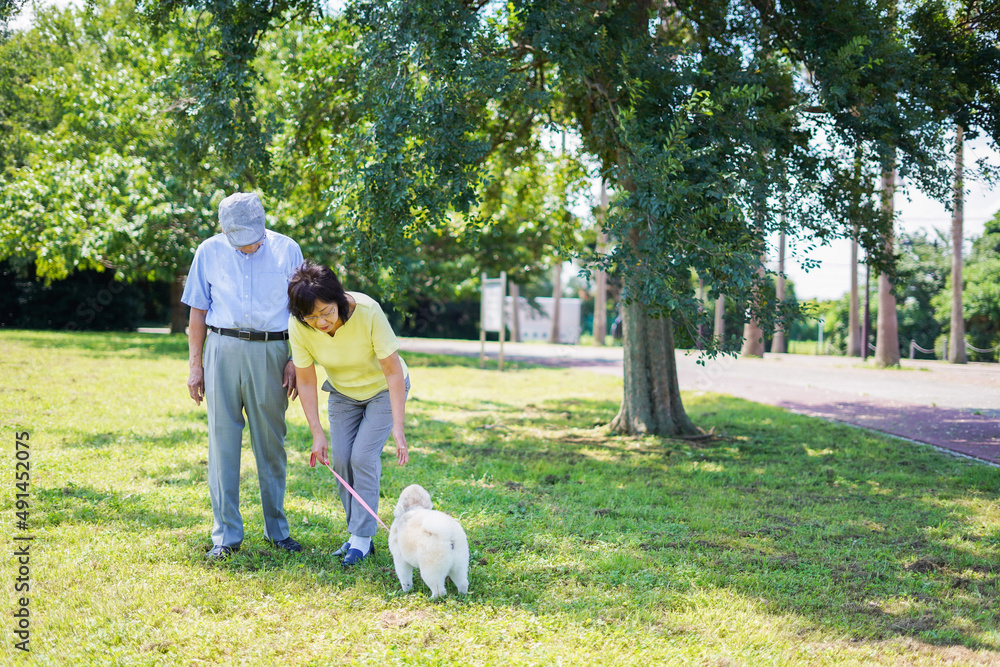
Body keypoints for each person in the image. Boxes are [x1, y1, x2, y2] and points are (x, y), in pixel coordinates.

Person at [182, 192, 305, 560]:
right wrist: (195, 365)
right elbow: (198, 313)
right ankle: (226, 536)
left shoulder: (288, 250)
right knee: (222, 446)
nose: (248, 245)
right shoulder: (208, 251)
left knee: (271, 444)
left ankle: (277, 531)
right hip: (222, 349)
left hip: (273, 351)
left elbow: (300, 311)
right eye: (240, 238)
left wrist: (296, 358)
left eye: (253, 236)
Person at [287, 261, 410, 567]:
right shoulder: (300, 325)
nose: (321, 322)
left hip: (383, 390)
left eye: (327, 312)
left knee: (362, 458)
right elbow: (305, 379)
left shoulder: (367, 312)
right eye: (312, 317)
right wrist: (317, 431)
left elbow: (393, 373)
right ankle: (357, 534)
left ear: (339, 298)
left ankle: (362, 539)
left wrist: (398, 425)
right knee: (341, 459)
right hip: (343, 393)